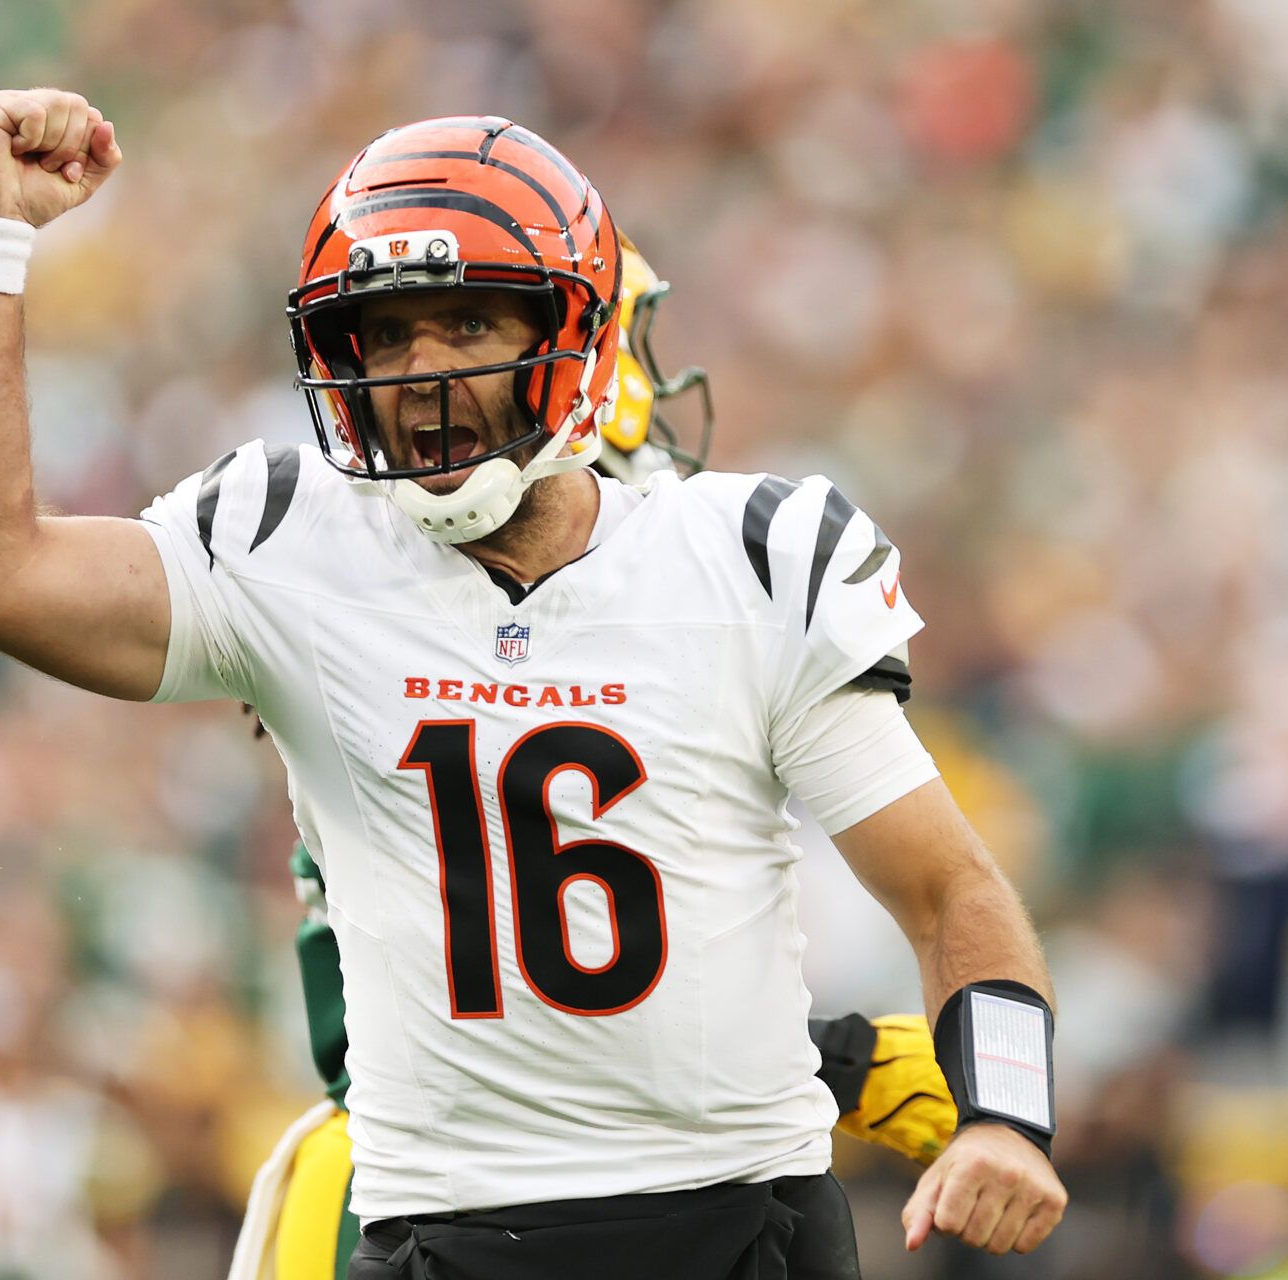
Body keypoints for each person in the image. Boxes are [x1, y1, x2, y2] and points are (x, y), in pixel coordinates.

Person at [0, 90, 1069, 1277]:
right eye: (389, 334)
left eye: (466, 326)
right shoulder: (291, 547)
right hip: (439, 1227)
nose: (421, 373)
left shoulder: (749, 557)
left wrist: (1009, 1115)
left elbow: (946, 887)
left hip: (740, 1224)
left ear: (575, 334)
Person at [227, 240, 958, 1280]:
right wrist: (839, 1061)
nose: (646, 383)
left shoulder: (412, 578)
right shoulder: (407, 591)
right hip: (432, 1186)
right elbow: (551, 971)